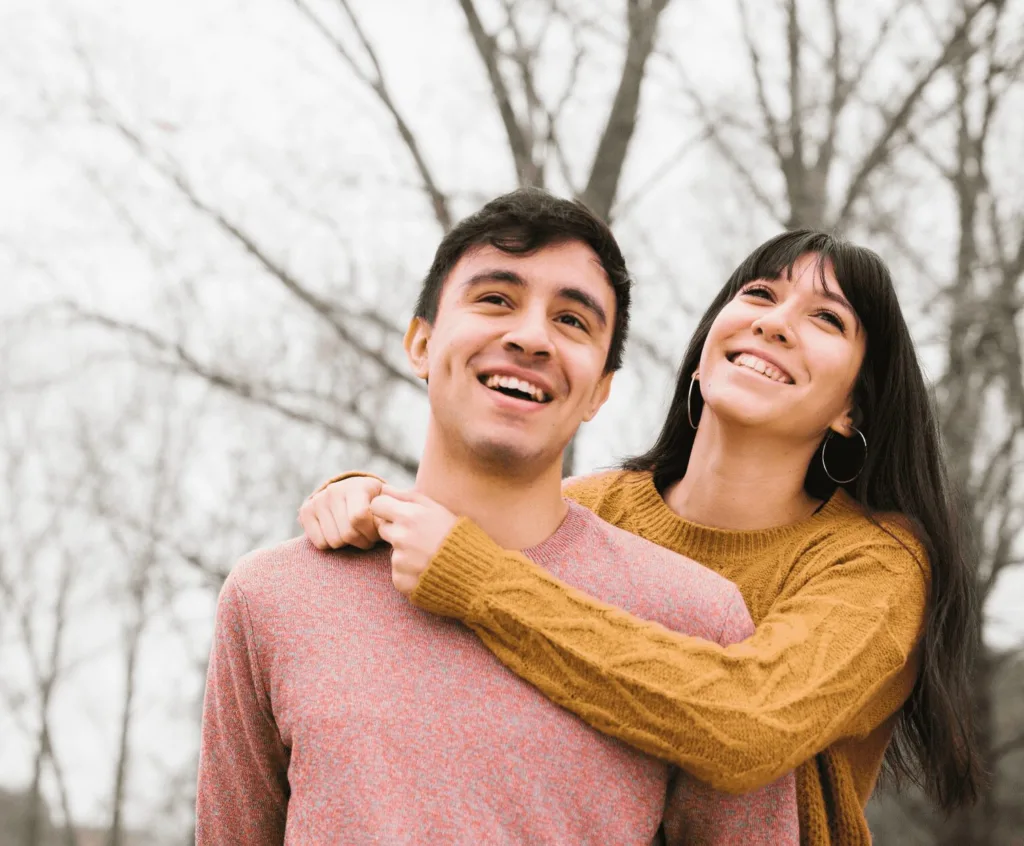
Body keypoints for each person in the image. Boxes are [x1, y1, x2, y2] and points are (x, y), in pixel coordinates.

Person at [299, 228, 983, 844]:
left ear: (851, 406)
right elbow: (445, 550)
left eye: (826, 318)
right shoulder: (592, 508)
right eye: (759, 294)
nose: (775, 324)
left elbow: (748, 724)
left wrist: (479, 579)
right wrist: (369, 503)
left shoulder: (876, 565)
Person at [196, 188, 798, 845]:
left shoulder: (697, 621)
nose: (531, 337)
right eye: (495, 300)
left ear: (600, 390)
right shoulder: (274, 598)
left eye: (572, 321)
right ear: (421, 342)